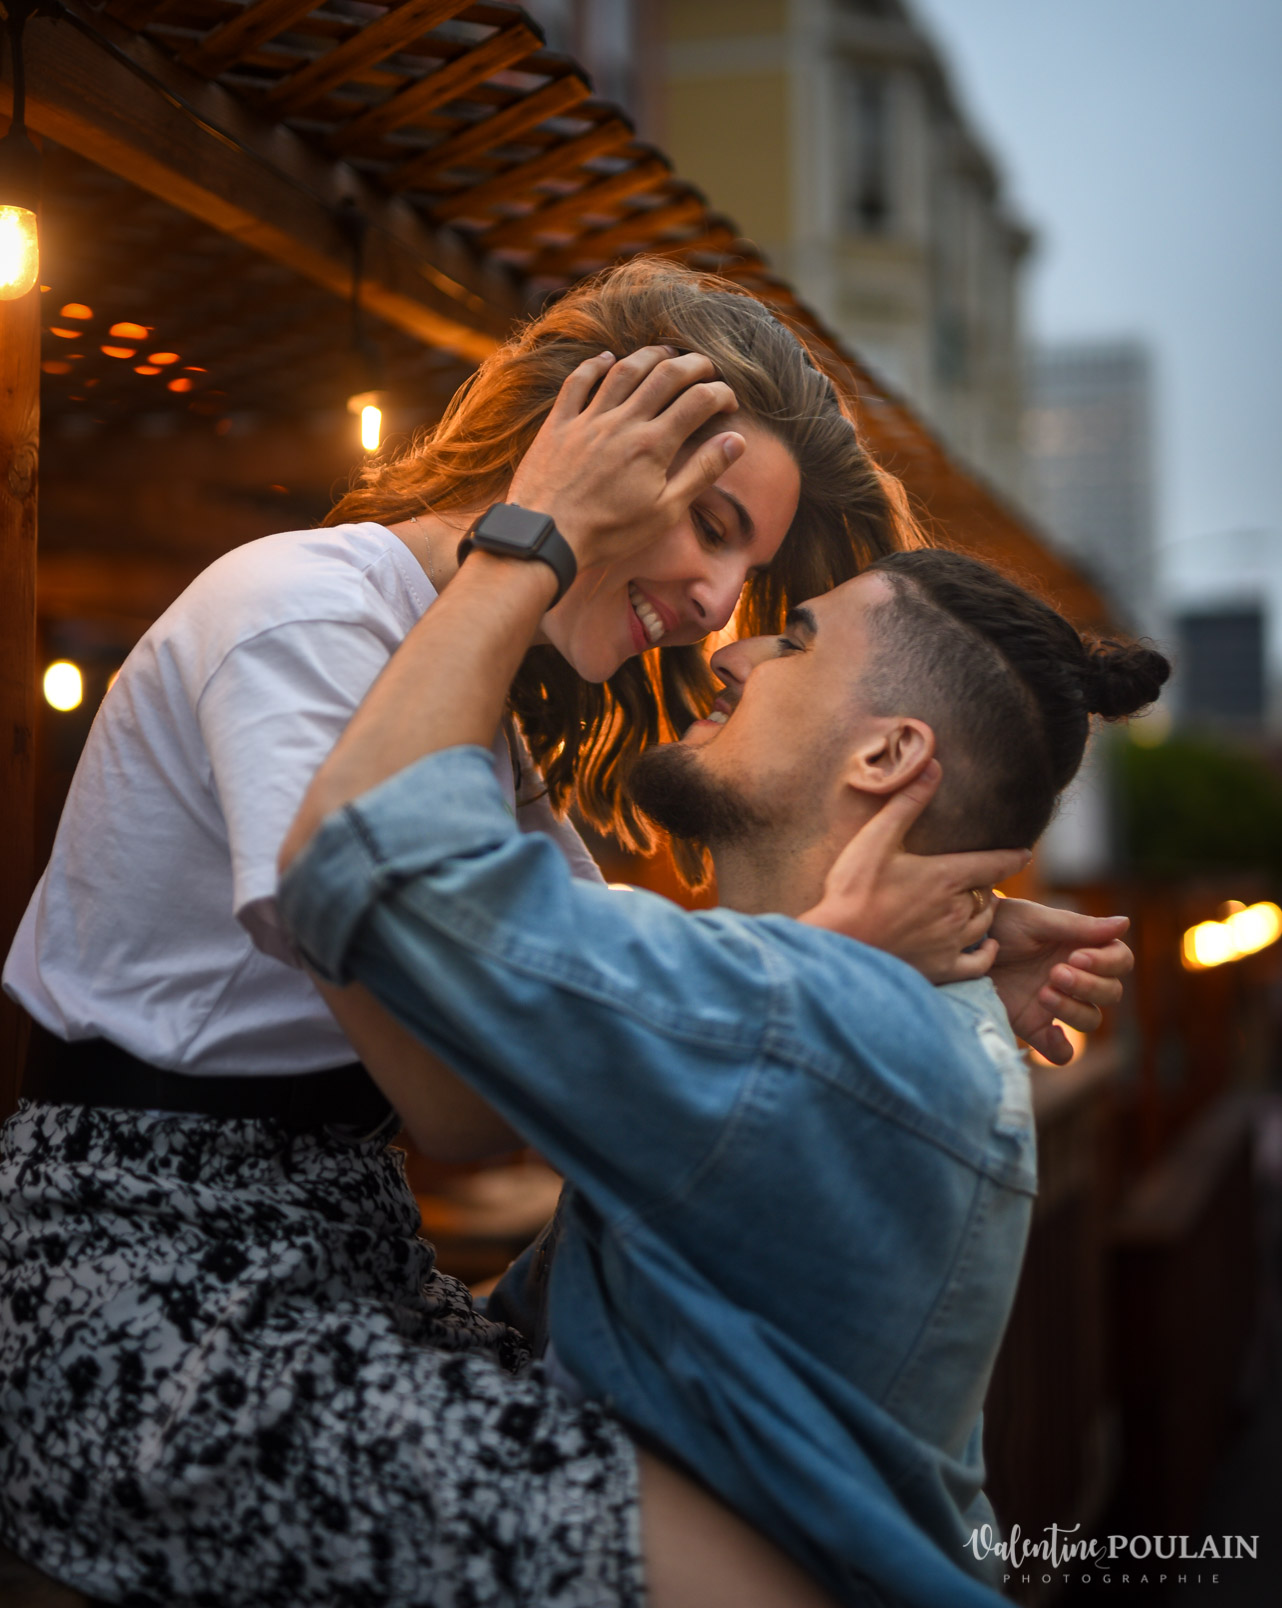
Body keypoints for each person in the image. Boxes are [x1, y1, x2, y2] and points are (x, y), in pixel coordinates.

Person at [0, 269, 1131, 1606]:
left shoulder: (471, 708)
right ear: (585, 441)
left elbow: (581, 957)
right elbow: (457, 1095)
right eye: (712, 528)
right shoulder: (304, 613)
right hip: (146, 1296)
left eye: (748, 568)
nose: (718, 605)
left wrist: (919, 921)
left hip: (333, 1268)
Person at [277, 449, 1169, 1603]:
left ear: (888, 755)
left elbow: (377, 859)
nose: (730, 645)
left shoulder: (809, 1022)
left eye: (791, 641)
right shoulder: (860, 1011)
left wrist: (528, 535)